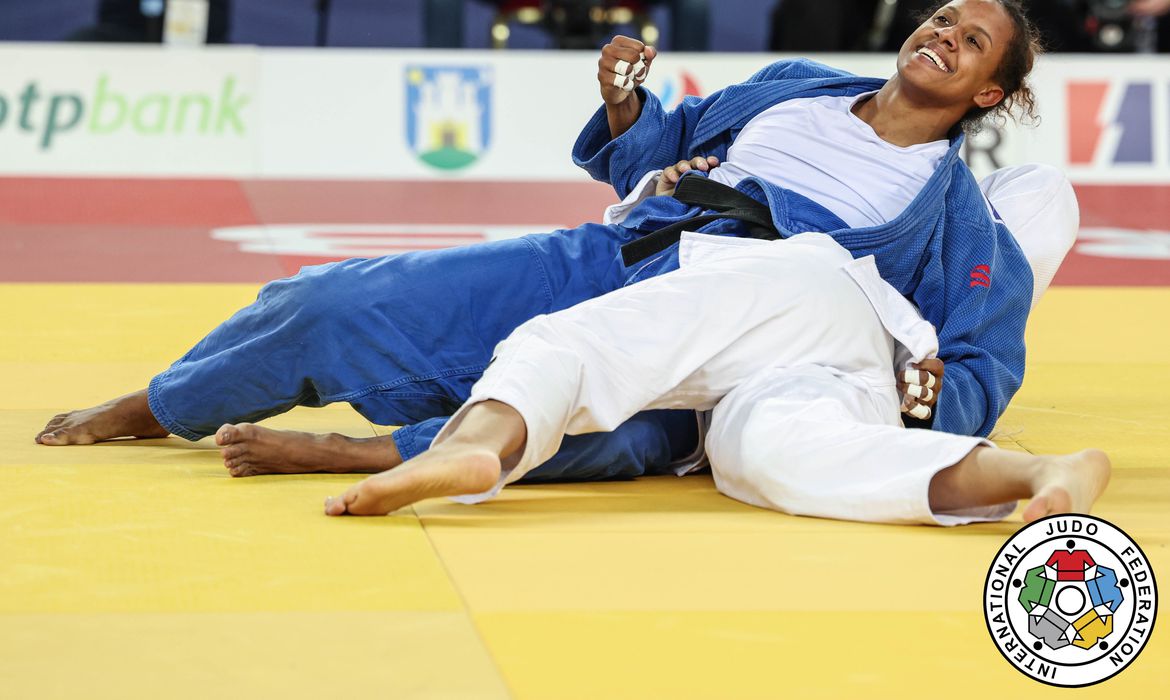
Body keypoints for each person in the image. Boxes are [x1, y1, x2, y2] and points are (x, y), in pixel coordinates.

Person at [40, 1, 1104, 522]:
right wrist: (628, 108)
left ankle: (374, 452)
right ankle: (164, 401)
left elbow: (979, 363)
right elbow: (650, 155)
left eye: (970, 42)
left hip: (735, 310)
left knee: (625, 435)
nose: (942, 34)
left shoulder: (958, 222)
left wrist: (930, 395)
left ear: (988, 94)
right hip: (617, 252)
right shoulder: (794, 87)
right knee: (334, 302)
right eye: (941, 17)